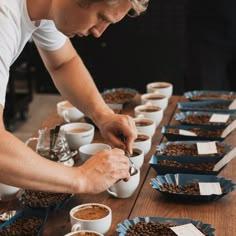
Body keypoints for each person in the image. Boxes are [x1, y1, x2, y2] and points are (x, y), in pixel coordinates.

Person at [0, 0, 149, 195]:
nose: (98, 32)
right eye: (101, 17)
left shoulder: (45, 9)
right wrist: (82, 178)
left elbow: (63, 63)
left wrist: (103, 115)